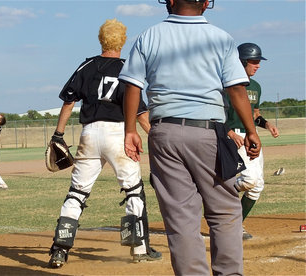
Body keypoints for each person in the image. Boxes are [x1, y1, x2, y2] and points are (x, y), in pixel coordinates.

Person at [119, 0, 261, 275]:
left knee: (181, 220)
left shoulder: (149, 35)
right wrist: (251, 130)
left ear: (170, 1)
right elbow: (236, 90)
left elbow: (132, 85)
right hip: (209, 132)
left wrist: (130, 130)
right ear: (207, 3)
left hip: (164, 133)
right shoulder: (221, 38)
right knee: (224, 213)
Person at [48, 18, 161, 269]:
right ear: (123, 41)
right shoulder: (127, 67)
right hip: (119, 133)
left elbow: (69, 101)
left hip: (89, 134)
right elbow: (141, 113)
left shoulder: (87, 65)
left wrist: (58, 134)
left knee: (77, 192)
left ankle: (59, 249)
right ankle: (139, 248)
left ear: (101, 39)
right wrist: (156, 136)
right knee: (133, 189)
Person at [226, 43, 279, 240]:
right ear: (242, 62)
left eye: (259, 62)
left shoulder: (256, 87)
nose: (258, 65)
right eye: (254, 62)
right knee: (250, 180)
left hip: (251, 136)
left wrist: (266, 124)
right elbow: (218, 114)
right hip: (235, 138)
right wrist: (230, 132)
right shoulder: (228, 85)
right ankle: (218, 192)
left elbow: (254, 114)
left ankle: (234, 226)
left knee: (257, 186)